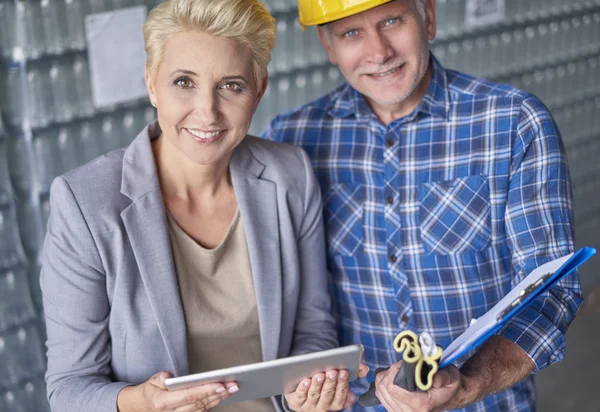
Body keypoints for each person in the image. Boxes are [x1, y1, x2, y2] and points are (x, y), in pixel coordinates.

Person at [40, 1, 367, 411]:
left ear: (259, 89)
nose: (207, 112)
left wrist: (306, 393)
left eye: (231, 85)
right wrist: (141, 403)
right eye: (183, 82)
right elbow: (68, 389)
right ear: (151, 83)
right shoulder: (84, 204)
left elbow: (313, 328)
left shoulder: (290, 176)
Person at [262, 0, 582, 410]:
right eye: (350, 33)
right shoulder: (291, 140)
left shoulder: (513, 122)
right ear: (328, 45)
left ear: (427, 17)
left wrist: (467, 385)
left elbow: (551, 293)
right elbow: (283, 303)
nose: (378, 53)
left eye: (392, 21)